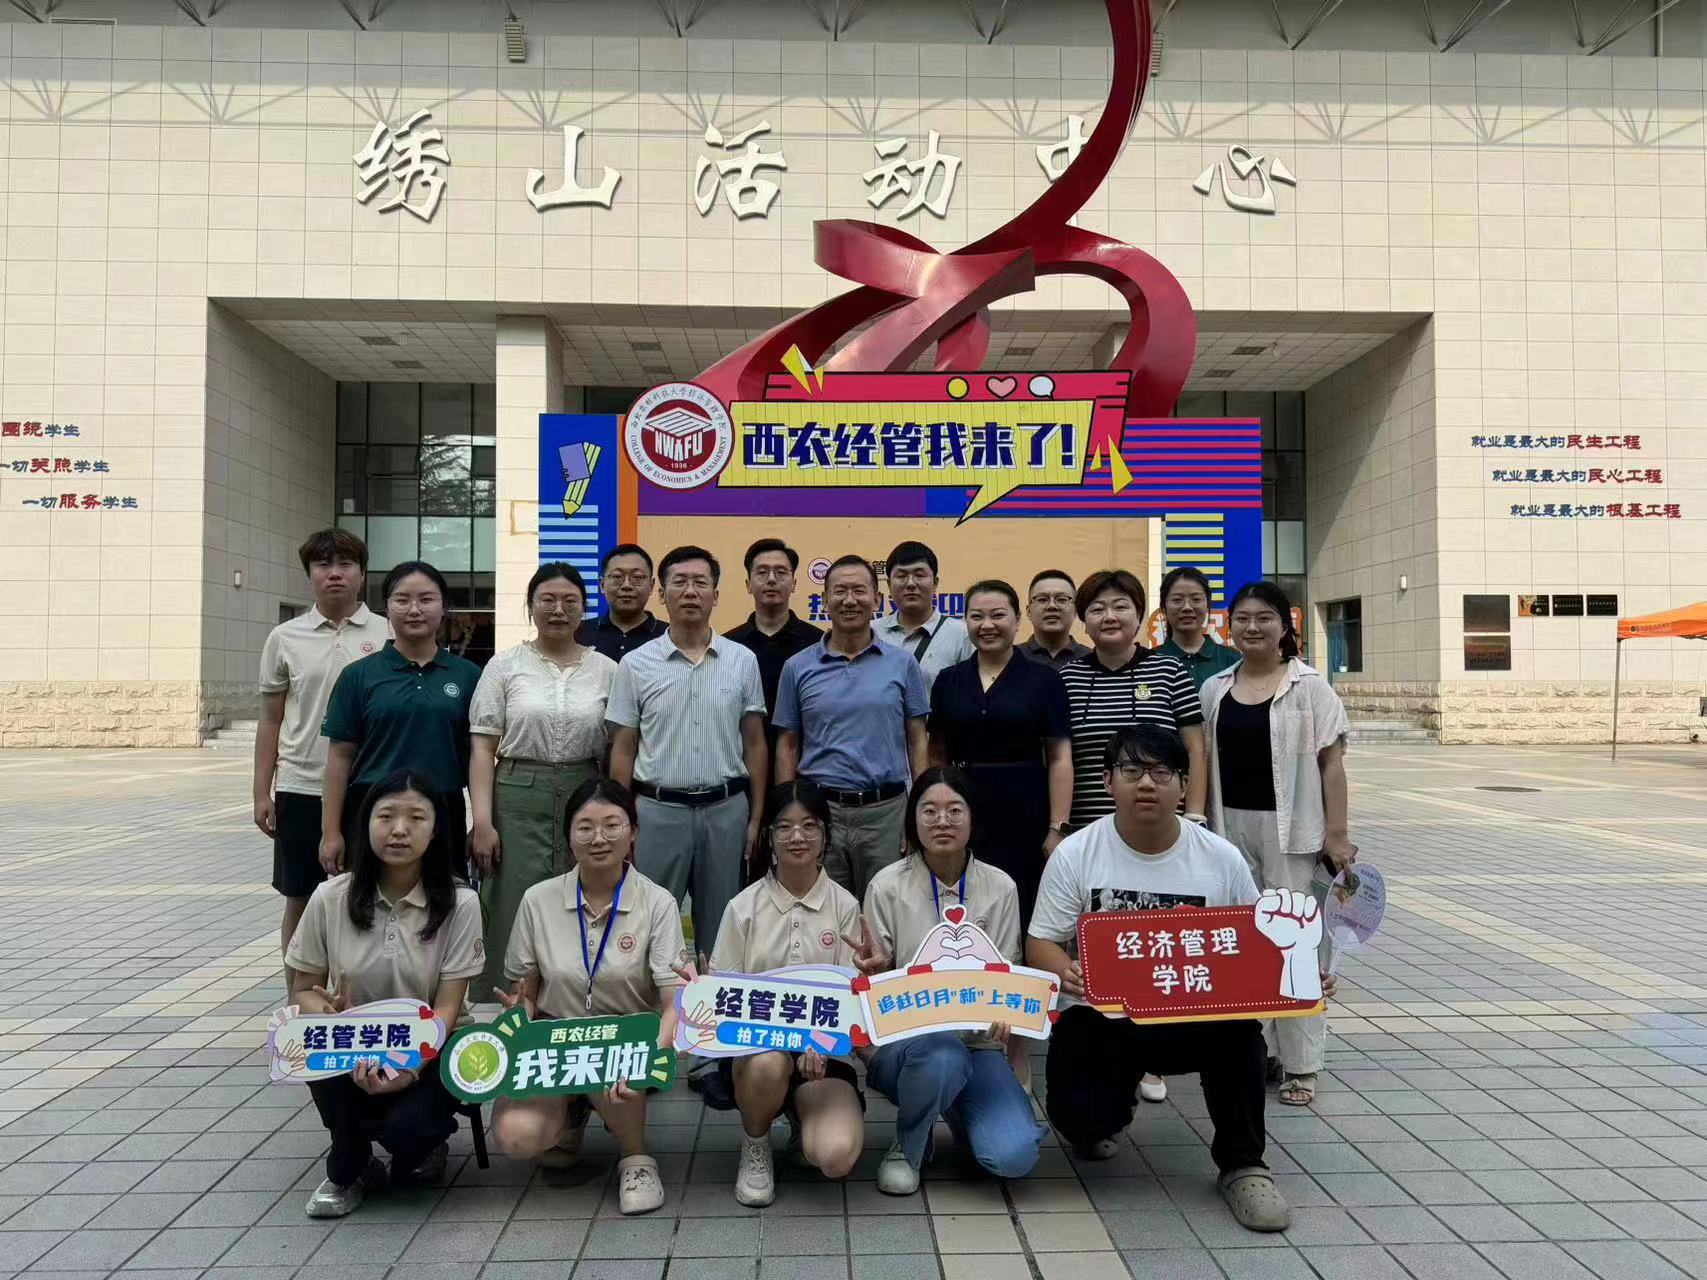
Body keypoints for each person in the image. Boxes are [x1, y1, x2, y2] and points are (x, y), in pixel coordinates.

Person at [1027, 725, 1328, 1234]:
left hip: (1195, 1019)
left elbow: (1258, 944)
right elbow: (1041, 942)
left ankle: (1244, 1165)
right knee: (1080, 1120)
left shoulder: (1220, 858)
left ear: (1185, 786)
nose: (1147, 783)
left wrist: (1301, 970)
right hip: (1104, 1018)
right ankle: (1108, 1110)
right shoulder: (1076, 854)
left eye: (1162, 772)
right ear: (1108, 781)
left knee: (1241, 1037)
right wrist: (1065, 969)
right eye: (1132, 770)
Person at [285, 769, 484, 1219]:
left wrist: (409, 1068)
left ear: (436, 830)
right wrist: (331, 1015)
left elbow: (448, 1007)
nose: (399, 829)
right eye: (386, 816)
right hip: (353, 1043)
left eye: (416, 818)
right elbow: (302, 991)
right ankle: (349, 1169)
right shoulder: (329, 897)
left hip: (430, 1047)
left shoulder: (461, 903)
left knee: (407, 1130)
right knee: (312, 1043)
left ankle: (422, 1143)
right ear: (366, 823)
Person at [490, 779, 685, 1215]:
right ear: (568, 835)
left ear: (633, 832)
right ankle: (570, 1111)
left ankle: (636, 1160)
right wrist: (516, 1017)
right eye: (585, 827)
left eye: (612, 825)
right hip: (556, 1041)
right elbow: (526, 994)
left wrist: (653, 1054)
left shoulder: (658, 903)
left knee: (613, 1065)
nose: (599, 838)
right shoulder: (538, 900)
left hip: (624, 1042)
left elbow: (674, 1003)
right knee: (518, 1137)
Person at [1200, 580, 1353, 1107]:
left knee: (1296, 942)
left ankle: (1302, 1065)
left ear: (1285, 626)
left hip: (1294, 832)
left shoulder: (1310, 687)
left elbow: (1332, 765)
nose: (1252, 627)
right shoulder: (1216, 688)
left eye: (1264, 618)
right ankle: (1259, 1050)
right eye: (1241, 618)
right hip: (1228, 829)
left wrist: (1337, 835)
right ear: (1230, 626)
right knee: (1244, 940)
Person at [862, 767, 1045, 1195]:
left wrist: (1009, 1020)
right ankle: (909, 1145)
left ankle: (952, 1110)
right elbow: (872, 990)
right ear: (912, 821)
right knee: (942, 1056)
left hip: (979, 1046)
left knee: (1013, 1156)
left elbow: (1008, 974)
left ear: (972, 818)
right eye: (929, 811)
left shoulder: (1001, 887)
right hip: (906, 1048)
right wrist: (874, 973)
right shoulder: (886, 886)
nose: (942, 821)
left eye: (954, 810)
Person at [697, 780, 865, 1207]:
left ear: (825, 835)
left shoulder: (846, 905)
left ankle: (801, 1122)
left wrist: (820, 1042)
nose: (797, 837)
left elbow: (849, 1000)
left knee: (835, 1156)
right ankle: (756, 1144)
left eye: (809, 826)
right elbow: (725, 1001)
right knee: (769, 1063)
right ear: (769, 837)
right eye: (785, 827)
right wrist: (701, 991)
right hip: (758, 1053)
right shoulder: (742, 907)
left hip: (824, 1054)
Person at [607, 545, 767, 964]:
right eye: (679, 582)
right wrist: (622, 818)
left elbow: (755, 743)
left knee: (722, 933)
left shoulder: (742, 660)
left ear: (716, 594)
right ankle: (648, 1001)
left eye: (700, 582)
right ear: (662, 594)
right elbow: (624, 747)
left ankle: (713, 1002)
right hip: (656, 812)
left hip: (726, 810)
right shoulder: (635, 665)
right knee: (644, 925)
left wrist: (754, 818)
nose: (690, 591)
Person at [468, 563, 618, 1004]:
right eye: (547, 600)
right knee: (512, 898)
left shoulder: (606, 669)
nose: (558, 610)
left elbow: (618, 747)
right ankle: (509, 1002)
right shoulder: (504, 665)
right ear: (530, 606)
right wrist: (482, 822)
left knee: (583, 894)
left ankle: (576, 999)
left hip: (584, 792)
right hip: (516, 794)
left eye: (570, 601)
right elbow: (483, 748)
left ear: (584, 608)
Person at [254, 528, 390, 964]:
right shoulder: (285, 637)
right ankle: (299, 993)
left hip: (372, 787)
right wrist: (262, 792)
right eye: (323, 565)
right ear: (309, 574)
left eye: (345, 564)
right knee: (301, 898)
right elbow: (270, 719)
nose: (334, 574)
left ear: (362, 574)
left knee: (373, 897)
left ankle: (362, 990)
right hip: (302, 786)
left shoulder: (388, 633)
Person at [775, 555, 929, 899]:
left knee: (887, 911)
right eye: (839, 591)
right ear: (824, 600)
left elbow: (917, 740)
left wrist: (919, 809)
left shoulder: (903, 664)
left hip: (887, 813)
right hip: (820, 813)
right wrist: (787, 813)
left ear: (877, 599)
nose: (849, 600)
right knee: (823, 913)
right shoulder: (797, 667)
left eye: (859, 591)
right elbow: (787, 743)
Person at [320, 561, 480, 878]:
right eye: (402, 600)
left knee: (442, 901)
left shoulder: (468, 676)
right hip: (372, 810)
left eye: (426, 599)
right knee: (368, 902)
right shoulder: (358, 675)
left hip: (443, 810)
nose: (414, 610)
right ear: (387, 607)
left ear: (444, 607)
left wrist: (481, 824)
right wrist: (331, 832)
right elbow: (339, 758)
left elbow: (478, 756)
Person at [928, 579, 1072, 929]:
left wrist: (1057, 827)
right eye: (976, 616)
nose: (987, 625)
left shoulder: (1044, 680)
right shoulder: (948, 680)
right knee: (962, 903)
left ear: (1018, 619)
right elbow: (936, 753)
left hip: (1025, 812)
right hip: (962, 809)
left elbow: (1059, 757)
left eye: (997, 615)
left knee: (1022, 904)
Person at [724, 537, 822, 784]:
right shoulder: (727, 646)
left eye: (780, 572)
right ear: (748, 584)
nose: (771, 579)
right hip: (740, 775)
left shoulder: (818, 644)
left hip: (806, 775)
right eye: (762, 572)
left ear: (794, 583)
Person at [874, 540, 973, 694]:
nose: (910, 583)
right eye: (901, 576)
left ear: (935, 583)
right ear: (888, 585)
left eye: (919, 575)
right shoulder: (870, 632)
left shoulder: (961, 635)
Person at [577, 544, 667, 662]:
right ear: (602, 584)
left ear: (651, 585)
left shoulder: (668, 636)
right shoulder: (578, 633)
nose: (626, 585)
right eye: (617, 577)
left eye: (637, 577)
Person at [1156, 566, 1240, 690]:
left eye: (1196, 599)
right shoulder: (1148, 661)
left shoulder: (1232, 660)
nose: (1187, 607)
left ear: (1207, 605)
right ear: (1163, 607)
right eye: (1177, 600)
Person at [1020, 569, 1090, 670]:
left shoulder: (1092, 659)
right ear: (1029, 611)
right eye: (1042, 599)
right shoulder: (1011, 658)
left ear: (1075, 610)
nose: (1052, 606)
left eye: (1061, 599)